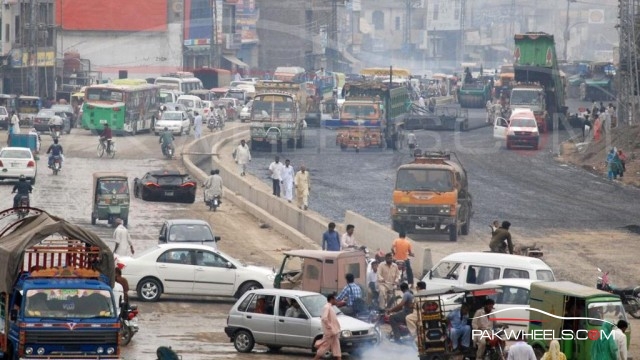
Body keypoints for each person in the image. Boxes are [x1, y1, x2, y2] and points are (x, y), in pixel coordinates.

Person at [313, 293, 342, 360]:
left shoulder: (330, 307)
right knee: (324, 347)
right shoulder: (327, 307)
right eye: (335, 299)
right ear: (332, 299)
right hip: (330, 332)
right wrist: (330, 327)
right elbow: (324, 318)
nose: (336, 301)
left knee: (337, 348)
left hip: (334, 332)